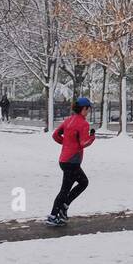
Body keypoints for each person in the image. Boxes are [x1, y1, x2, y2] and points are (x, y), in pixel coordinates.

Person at [45, 96, 96, 227]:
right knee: (66, 189)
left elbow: (55, 135)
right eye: (88, 109)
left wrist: (66, 143)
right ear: (83, 109)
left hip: (64, 160)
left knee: (83, 182)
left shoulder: (68, 120)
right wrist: (92, 137)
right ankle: (54, 214)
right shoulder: (83, 124)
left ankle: (63, 207)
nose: (88, 111)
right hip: (72, 161)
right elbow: (84, 143)